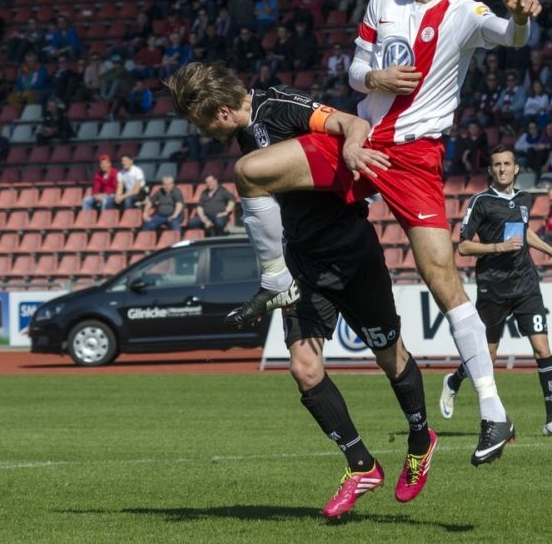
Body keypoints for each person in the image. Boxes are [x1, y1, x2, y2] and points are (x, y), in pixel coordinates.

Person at [171, 0, 540, 464]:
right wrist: (377, 77)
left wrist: (524, 15)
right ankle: (278, 281)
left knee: (442, 278)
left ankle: (493, 412)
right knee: (251, 169)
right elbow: (356, 69)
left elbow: (512, 36)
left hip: (414, 156)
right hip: (361, 141)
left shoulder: (463, 11)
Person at [165, 64, 437, 518]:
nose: (202, 130)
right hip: (304, 263)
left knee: (391, 357)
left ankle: (419, 437)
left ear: (222, 110)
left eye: (201, 121)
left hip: (351, 253)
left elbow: (353, 123)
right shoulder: (245, 137)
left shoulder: (279, 105)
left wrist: (352, 148)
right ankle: (361, 465)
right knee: (304, 369)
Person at [440, 146, 552, 438]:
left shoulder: (524, 198)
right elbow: (463, 245)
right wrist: (498, 247)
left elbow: (523, 232)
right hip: (494, 286)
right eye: (496, 164)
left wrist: (551, 251)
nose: (502, 169)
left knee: (542, 349)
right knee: (488, 356)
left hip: (525, 283)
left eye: (507, 164)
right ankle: (454, 381)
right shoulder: (481, 201)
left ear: (516, 168)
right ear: (490, 170)